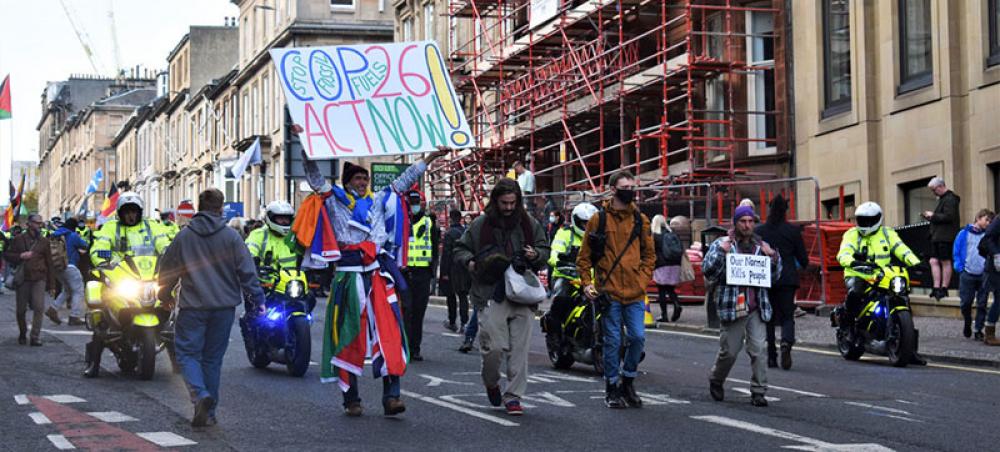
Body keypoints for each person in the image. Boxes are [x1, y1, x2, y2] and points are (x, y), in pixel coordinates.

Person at [298, 132, 449, 417]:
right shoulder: (334, 200)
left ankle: (392, 396)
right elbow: (314, 177)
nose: (363, 183)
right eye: (358, 179)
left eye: (365, 179)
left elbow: (405, 180)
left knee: (390, 333)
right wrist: (306, 148)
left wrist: (430, 157)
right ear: (347, 183)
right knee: (348, 336)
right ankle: (351, 399)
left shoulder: (379, 200)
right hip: (348, 276)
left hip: (378, 275)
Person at [157, 189, 263, 427]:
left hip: (193, 306)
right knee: (212, 359)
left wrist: (164, 293)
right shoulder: (232, 237)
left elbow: (168, 269)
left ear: (199, 207)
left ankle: (199, 395)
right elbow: (247, 271)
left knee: (186, 354)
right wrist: (258, 299)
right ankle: (210, 410)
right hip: (224, 307)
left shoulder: (185, 236)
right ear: (220, 208)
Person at [454, 178, 549, 416]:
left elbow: (545, 251)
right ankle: (491, 382)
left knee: (519, 350)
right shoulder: (480, 225)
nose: (508, 207)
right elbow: (459, 249)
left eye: (512, 203)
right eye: (504, 203)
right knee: (493, 348)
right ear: (495, 201)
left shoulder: (530, 224)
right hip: (491, 292)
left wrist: (535, 253)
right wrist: (471, 262)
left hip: (522, 293)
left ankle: (514, 396)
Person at [577, 172, 654, 409]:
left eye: (632, 186)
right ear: (612, 189)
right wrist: (587, 284)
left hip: (634, 293)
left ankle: (628, 381)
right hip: (608, 292)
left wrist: (641, 281)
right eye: (624, 186)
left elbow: (650, 255)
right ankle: (612, 387)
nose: (630, 190)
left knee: (637, 338)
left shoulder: (641, 220)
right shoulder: (598, 220)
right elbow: (584, 258)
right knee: (611, 341)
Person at [83, 192, 173, 377]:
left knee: (173, 312)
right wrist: (102, 258)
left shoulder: (151, 226)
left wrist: (169, 253)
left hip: (148, 276)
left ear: (139, 212)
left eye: (134, 211)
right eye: (127, 212)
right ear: (120, 213)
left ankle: (177, 360)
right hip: (121, 276)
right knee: (100, 309)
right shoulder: (111, 227)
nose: (131, 215)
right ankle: (94, 362)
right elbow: (100, 245)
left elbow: (163, 242)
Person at [703, 205, 780, 407]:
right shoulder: (723, 244)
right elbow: (708, 271)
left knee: (759, 350)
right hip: (733, 307)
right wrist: (721, 253)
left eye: (750, 221)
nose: (747, 225)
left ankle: (758, 391)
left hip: (757, 307)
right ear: (735, 223)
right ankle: (716, 379)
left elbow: (774, 277)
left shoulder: (761, 247)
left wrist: (772, 257)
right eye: (742, 221)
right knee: (729, 351)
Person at [837, 202, 924, 363]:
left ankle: (910, 350)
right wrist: (852, 262)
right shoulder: (852, 234)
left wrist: (915, 262)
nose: (866, 224)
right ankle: (848, 327)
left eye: (869, 220)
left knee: (903, 300)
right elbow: (844, 253)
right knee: (855, 293)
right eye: (862, 220)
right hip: (858, 273)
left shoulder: (887, 233)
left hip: (883, 274)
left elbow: (901, 248)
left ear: (878, 219)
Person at [754, 195, 808, 370]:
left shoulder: (760, 231)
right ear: (786, 210)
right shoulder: (793, 231)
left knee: (768, 317)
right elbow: (803, 258)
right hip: (787, 278)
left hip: (766, 278)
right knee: (787, 316)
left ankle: (771, 355)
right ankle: (786, 342)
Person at [4, 214, 57, 346]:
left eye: (40, 223)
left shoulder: (44, 241)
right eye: (36, 223)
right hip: (23, 278)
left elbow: (50, 263)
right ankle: (23, 332)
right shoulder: (18, 239)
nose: (39, 225)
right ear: (29, 223)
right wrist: (21, 255)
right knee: (21, 310)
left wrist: (52, 285)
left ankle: (35, 336)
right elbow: (7, 255)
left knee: (39, 307)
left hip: (39, 278)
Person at [403, 190, 440, 361]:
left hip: (423, 274)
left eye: (417, 202)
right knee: (406, 311)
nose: (415, 205)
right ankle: (403, 347)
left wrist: (433, 274)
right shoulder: (401, 222)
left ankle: (414, 348)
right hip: (404, 274)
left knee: (418, 314)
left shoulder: (429, 222)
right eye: (412, 202)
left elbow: (434, 250)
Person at [953, 209, 995, 340]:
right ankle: (967, 321)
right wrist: (960, 268)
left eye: (990, 221)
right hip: (967, 273)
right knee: (966, 302)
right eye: (986, 220)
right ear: (978, 218)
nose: (988, 223)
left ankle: (978, 329)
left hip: (984, 274)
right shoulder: (963, 233)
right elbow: (956, 251)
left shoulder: (988, 235)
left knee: (982, 304)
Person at [922, 177, 960, 300]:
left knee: (945, 261)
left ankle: (943, 288)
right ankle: (936, 287)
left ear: (940, 186)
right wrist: (932, 217)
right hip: (938, 236)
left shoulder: (950, 199)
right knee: (933, 261)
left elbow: (949, 217)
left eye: (934, 190)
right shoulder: (945, 199)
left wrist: (933, 215)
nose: (934, 193)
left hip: (945, 236)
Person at [46, 217, 89, 326]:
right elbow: (85, 245)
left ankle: (53, 309)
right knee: (78, 291)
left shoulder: (55, 234)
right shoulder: (73, 235)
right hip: (70, 266)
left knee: (67, 290)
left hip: (57, 266)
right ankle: (74, 316)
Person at [245, 201, 299, 285]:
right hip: (266, 285)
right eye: (280, 218)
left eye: (286, 218)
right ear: (270, 218)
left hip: (292, 284)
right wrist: (253, 261)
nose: (284, 221)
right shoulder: (259, 235)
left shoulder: (294, 236)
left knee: (310, 297)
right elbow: (248, 252)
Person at [441, 209, 471, 334]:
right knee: (463, 296)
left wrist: (444, 272)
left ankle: (452, 321)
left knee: (451, 296)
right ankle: (464, 323)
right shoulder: (466, 232)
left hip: (453, 269)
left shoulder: (449, 233)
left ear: (451, 218)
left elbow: (446, 254)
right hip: (464, 267)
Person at [651, 214, 684, 323]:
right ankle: (676, 303)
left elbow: (651, 252)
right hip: (675, 265)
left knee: (661, 290)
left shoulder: (655, 236)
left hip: (661, 265)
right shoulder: (672, 234)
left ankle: (664, 315)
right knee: (670, 288)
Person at [982, 213, 1000, 346]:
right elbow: (988, 238)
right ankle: (989, 333)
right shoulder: (998, 220)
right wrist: (996, 255)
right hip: (996, 268)